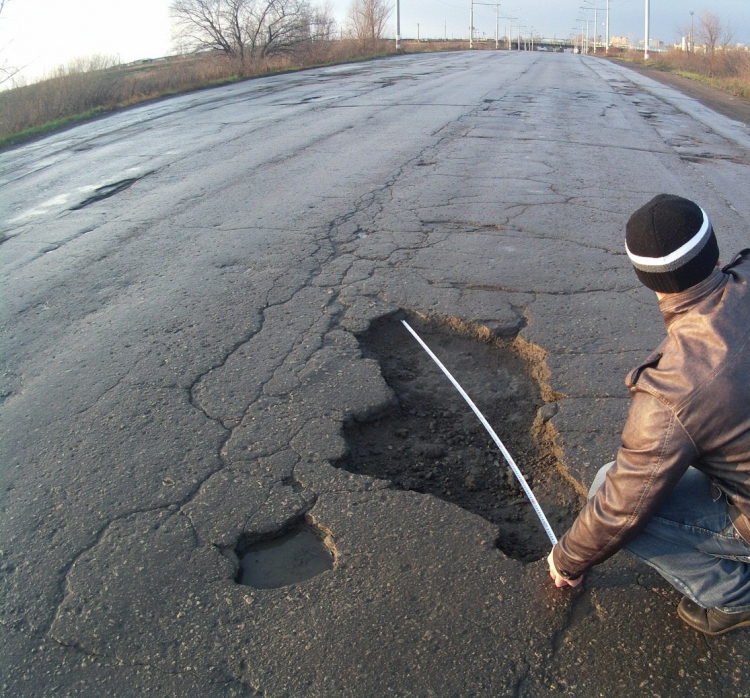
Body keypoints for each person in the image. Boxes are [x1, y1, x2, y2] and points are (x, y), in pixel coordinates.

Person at [547, 193, 750, 636]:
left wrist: (565, 557)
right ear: (713, 249)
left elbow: (621, 507)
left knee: (608, 486)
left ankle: (735, 596)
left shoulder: (673, 386)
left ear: (646, 278)